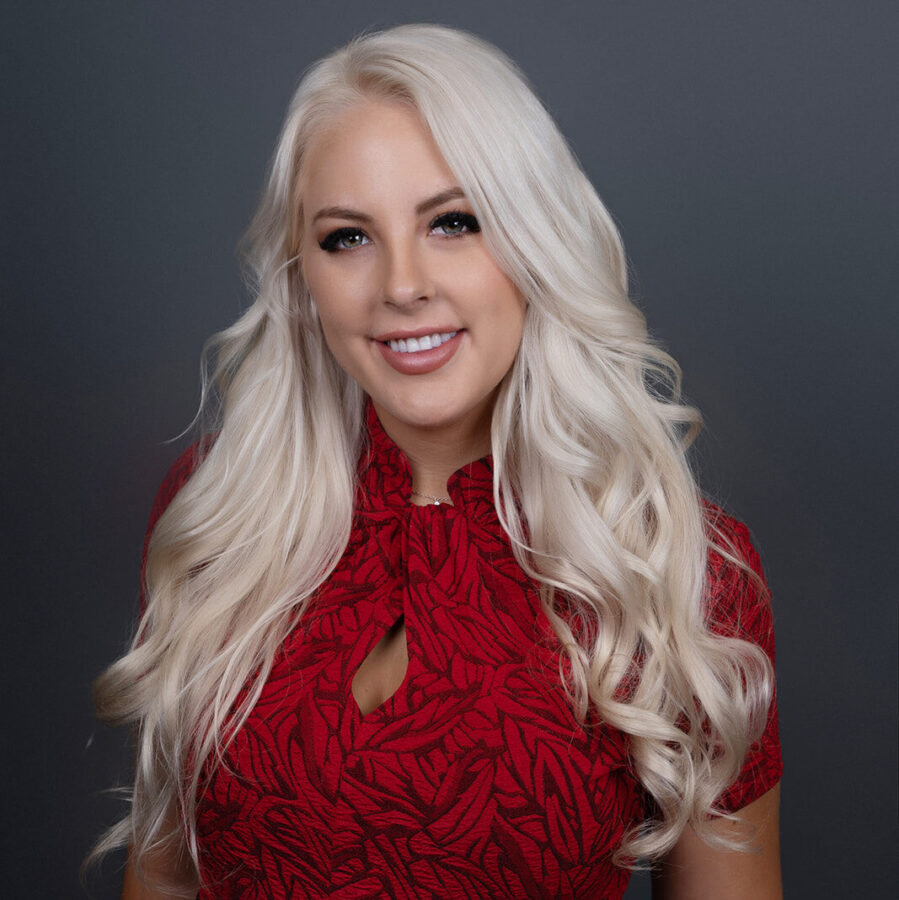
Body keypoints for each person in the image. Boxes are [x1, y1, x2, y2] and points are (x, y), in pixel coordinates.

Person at [93, 24, 782, 899]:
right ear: (301, 276)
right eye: (349, 237)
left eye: (453, 223)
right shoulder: (221, 513)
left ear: (534, 242)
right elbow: (162, 877)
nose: (402, 284)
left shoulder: (674, 568)